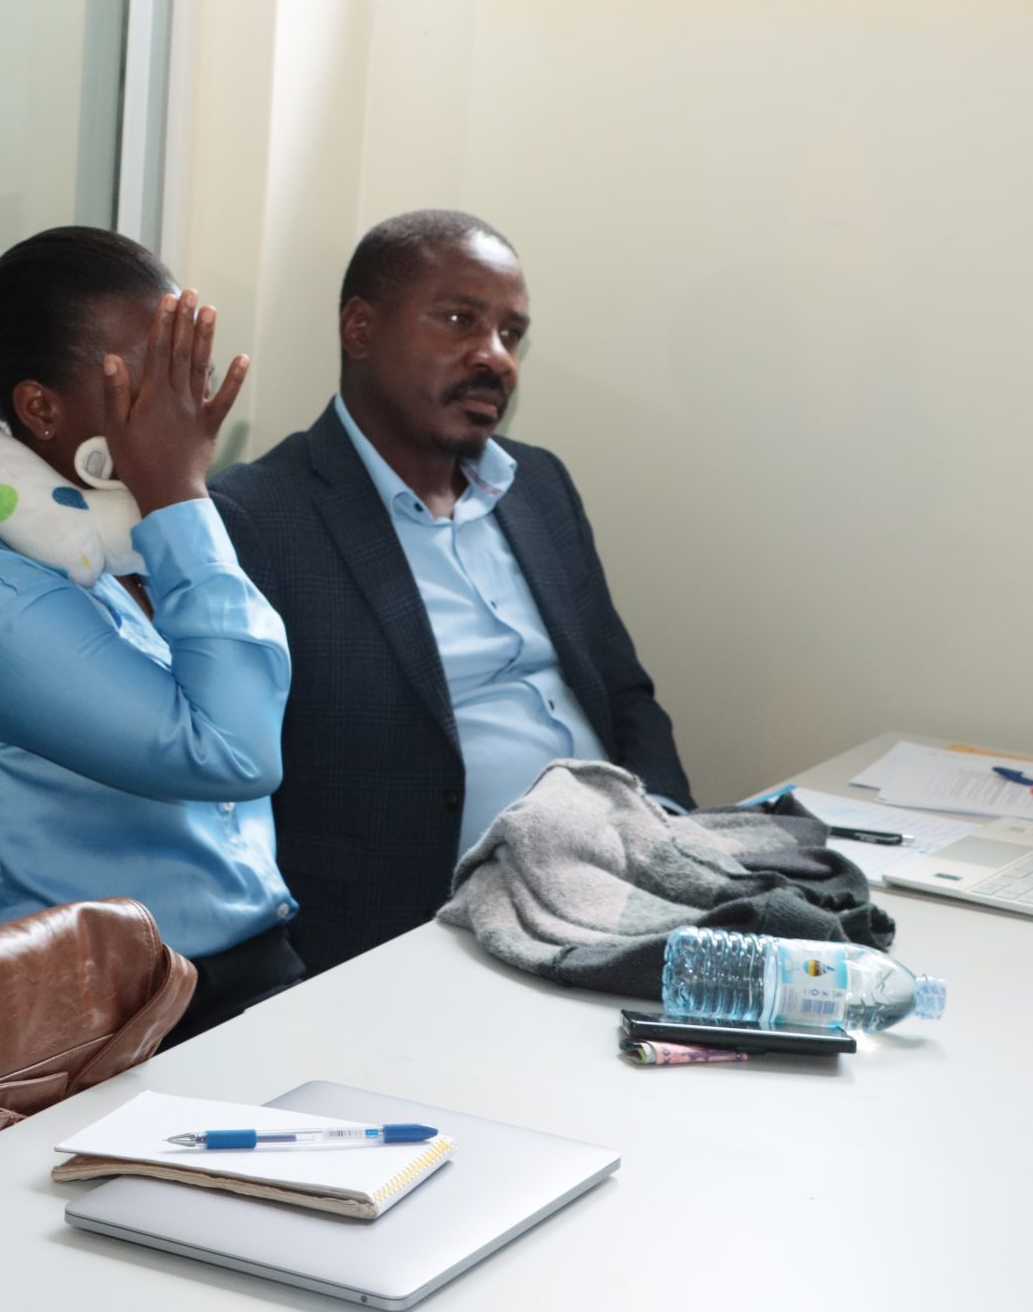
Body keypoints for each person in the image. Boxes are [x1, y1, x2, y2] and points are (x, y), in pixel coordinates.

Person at [211, 209, 692, 975]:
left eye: (512, 333)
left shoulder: (539, 485)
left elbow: (624, 693)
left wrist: (667, 837)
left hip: (626, 880)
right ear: (360, 328)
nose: (495, 356)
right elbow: (231, 780)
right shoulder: (258, 516)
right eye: (461, 319)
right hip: (431, 924)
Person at [0, 227, 301, 1045]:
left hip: (244, 968)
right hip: (107, 1027)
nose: (181, 407)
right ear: (40, 408)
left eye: (186, 372)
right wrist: (182, 497)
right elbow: (235, 753)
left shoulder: (126, 541)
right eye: (148, 380)